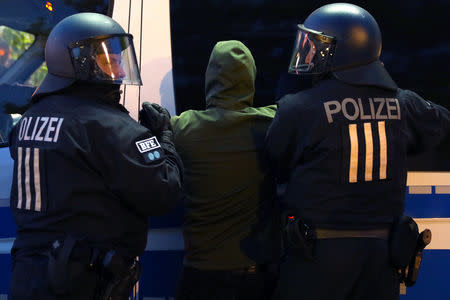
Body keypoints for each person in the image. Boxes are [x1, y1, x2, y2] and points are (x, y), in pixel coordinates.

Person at [265, 3, 450, 300]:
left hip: (317, 261)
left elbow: (277, 159)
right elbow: (439, 125)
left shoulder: (298, 108)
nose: (308, 53)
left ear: (342, 51)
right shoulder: (404, 104)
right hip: (381, 262)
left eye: (316, 46)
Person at [8, 12, 183, 300]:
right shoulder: (109, 126)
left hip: (29, 273)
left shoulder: (31, 116)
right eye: (105, 58)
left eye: (118, 56)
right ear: (76, 61)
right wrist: (163, 138)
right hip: (83, 281)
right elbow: (164, 192)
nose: (118, 66)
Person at [171, 40, 280, 300]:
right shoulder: (271, 123)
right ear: (250, 77)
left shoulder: (183, 126)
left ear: (210, 78)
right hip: (257, 275)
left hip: (201, 275)